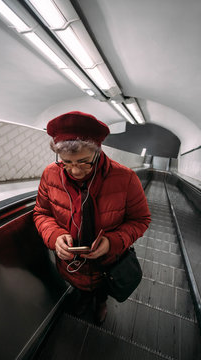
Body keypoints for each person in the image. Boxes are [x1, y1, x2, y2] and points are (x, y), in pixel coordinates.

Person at [33, 111, 151, 324]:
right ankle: (85, 299)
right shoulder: (51, 174)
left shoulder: (125, 178)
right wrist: (55, 236)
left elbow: (141, 220)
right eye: (67, 162)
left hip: (108, 262)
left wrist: (111, 242)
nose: (75, 170)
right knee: (81, 288)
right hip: (72, 264)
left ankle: (101, 302)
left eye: (84, 161)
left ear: (98, 151)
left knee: (101, 288)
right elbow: (42, 213)